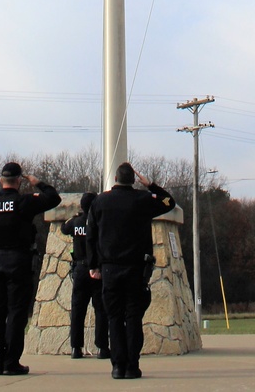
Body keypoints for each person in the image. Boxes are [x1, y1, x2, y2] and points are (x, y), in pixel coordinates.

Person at [87, 163, 176, 380]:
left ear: (115, 178)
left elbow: (90, 235)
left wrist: (93, 265)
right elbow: (169, 202)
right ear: (133, 180)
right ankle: (132, 366)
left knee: (114, 317)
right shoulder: (143, 200)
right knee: (133, 316)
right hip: (136, 269)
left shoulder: (100, 201)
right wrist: (151, 185)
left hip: (110, 269)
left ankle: (117, 366)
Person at [0, 161, 62, 376]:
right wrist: (37, 182)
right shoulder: (22, 202)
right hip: (17, 261)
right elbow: (54, 198)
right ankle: (11, 362)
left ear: (0, 180)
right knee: (16, 313)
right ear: (19, 181)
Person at [62, 191, 110, 359]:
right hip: (97, 270)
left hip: (80, 269)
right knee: (101, 310)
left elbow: (63, 228)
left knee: (78, 310)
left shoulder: (76, 222)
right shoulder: (99, 222)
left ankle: (76, 348)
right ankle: (102, 348)